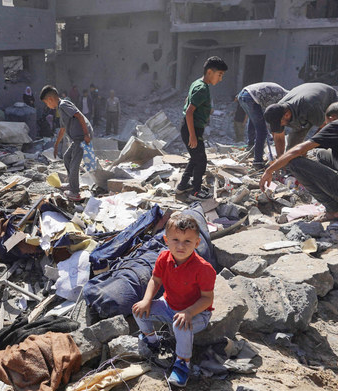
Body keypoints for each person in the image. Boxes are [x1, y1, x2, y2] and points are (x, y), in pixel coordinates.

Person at [132, 213, 215, 388]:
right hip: (169, 306)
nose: (180, 246)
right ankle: (152, 340)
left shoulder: (203, 268)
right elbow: (155, 280)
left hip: (196, 313)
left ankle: (183, 363)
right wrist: (147, 300)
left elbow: (207, 299)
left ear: (197, 243)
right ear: (166, 240)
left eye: (187, 241)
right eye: (175, 239)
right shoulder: (164, 258)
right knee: (138, 309)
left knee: (180, 324)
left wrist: (189, 312)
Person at [176, 56, 228, 201]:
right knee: (201, 160)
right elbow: (189, 111)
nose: (221, 79)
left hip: (189, 127)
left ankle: (183, 186)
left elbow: (188, 101)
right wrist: (193, 136)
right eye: (220, 75)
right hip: (192, 129)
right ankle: (196, 192)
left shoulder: (197, 83)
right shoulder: (202, 89)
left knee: (196, 157)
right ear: (210, 72)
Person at [40, 85, 93, 202]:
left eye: (46, 103)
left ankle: (75, 192)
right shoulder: (61, 109)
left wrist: (86, 134)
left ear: (50, 99)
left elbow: (79, 116)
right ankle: (72, 183)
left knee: (74, 163)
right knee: (67, 157)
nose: (47, 106)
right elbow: (63, 128)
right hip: (77, 138)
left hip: (81, 137)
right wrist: (56, 144)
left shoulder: (64, 104)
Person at [262, 83, 338, 157]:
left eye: (280, 123)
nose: (280, 126)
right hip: (302, 109)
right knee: (292, 151)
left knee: (333, 135)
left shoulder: (309, 106)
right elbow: (278, 137)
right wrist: (280, 162)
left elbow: (324, 127)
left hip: (329, 100)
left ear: (287, 115)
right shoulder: (277, 110)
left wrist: (307, 146)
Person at [237, 82, 289, 166]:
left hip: (243, 94)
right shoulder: (283, 100)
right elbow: (273, 118)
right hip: (251, 98)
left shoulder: (281, 93)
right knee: (262, 131)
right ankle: (258, 161)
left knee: (254, 121)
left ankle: (251, 145)